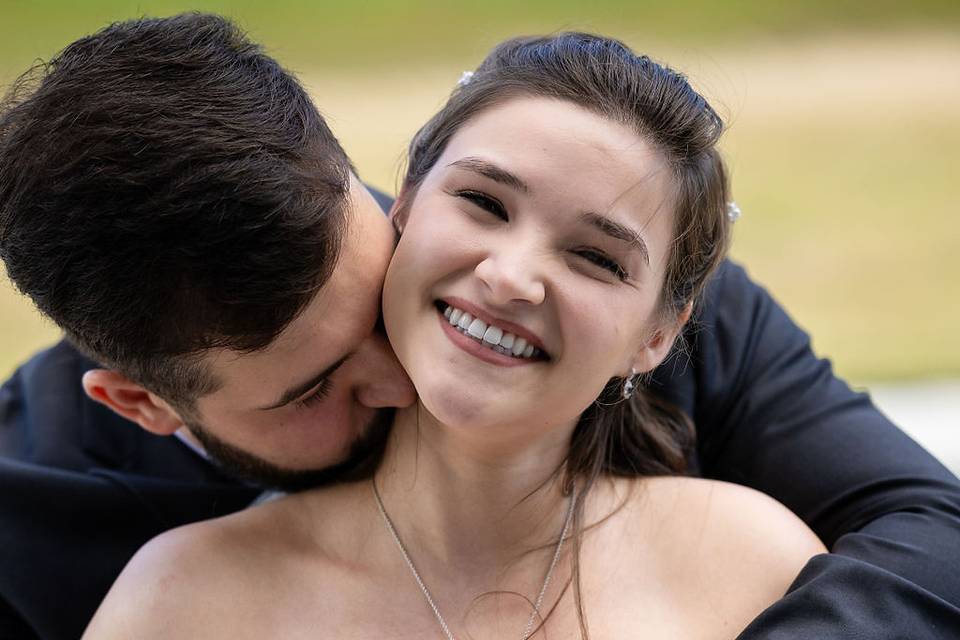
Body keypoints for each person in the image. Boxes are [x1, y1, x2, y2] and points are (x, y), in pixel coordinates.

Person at [1, 13, 958, 640]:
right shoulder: (146, 580)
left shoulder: (751, 554)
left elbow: (936, 533)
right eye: (312, 386)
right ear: (143, 404)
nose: (392, 372)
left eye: (596, 256)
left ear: (391, 208)